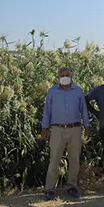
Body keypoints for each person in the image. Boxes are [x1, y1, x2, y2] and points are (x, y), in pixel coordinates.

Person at [41, 67, 90, 200]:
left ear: (71, 76)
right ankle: (50, 189)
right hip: (57, 129)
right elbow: (47, 111)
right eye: (62, 75)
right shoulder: (52, 92)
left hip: (75, 128)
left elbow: (83, 110)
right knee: (54, 159)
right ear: (58, 78)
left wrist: (87, 126)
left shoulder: (78, 91)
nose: (64, 77)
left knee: (74, 159)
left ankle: (72, 186)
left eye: (67, 75)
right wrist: (44, 128)